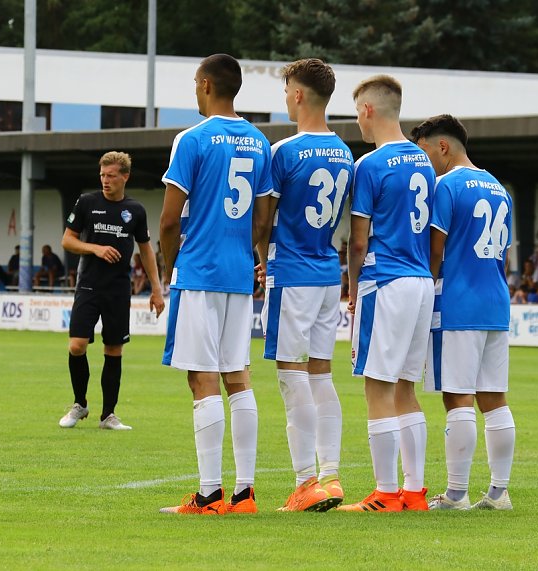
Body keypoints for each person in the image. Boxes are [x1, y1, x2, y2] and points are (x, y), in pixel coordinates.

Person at [158, 54, 273, 516]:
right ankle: (244, 494)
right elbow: (263, 219)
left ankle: (209, 495)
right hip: (238, 273)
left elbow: (169, 220)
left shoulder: (192, 139)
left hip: (200, 272)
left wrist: (170, 268)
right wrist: (250, 256)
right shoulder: (260, 141)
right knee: (238, 377)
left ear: (206, 85)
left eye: (194, 82)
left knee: (202, 378)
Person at [336, 75, 435, 513]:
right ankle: (414, 491)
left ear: (369, 110)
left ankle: (385, 493)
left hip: (386, 280)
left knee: (377, 386)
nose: (358, 121)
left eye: (357, 112)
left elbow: (358, 241)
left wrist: (353, 286)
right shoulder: (424, 161)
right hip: (420, 280)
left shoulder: (370, 165)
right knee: (405, 389)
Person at [256, 58, 351, 512]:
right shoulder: (344, 152)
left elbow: (263, 219)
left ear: (297, 94)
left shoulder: (284, 151)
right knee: (320, 373)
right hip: (328, 271)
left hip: (292, 272)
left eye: (286, 91)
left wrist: (261, 260)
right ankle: (330, 475)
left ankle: (305, 482)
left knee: (290, 374)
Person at [412, 114, 516, 511]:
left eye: (425, 152)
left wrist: (424, 291)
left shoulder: (446, 186)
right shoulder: (499, 187)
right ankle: (499, 492)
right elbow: (504, 254)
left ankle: (456, 494)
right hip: (495, 300)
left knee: (458, 397)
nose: (425, 163)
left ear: (443, 147)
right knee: (495, 398)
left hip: (458, 302)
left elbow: (435, 250)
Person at [58, 151, 165, 432]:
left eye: (111, 176)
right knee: (76, 345)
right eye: (102, 175)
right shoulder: (87, 202)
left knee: (114, 349)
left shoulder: (135, 210)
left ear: (125, 177)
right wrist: (95, 248)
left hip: (118, 289)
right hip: (88, 285)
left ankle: (108, 415)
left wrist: (156, 289)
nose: (105, 181)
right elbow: (67, 240)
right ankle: (80, 404)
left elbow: (146, 251)